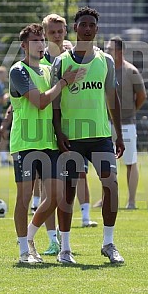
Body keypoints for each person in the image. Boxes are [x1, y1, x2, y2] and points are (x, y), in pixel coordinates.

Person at [52, 7, 125, 264]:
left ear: (96, 29)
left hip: (100, 136)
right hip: (72, 138)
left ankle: (108, 243)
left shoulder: (105, 61)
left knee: (111, 185)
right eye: (82, 24)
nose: (87, 28)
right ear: (75, 28)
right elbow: (55, 101)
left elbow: (112, 97)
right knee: (68, 192)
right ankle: (65, 249)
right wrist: (58, 131)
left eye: (91, 25)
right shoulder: (62, 62)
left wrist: (118, 134)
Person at [9, 23, 85, 263]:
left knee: (54, 196)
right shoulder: (18, 70)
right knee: (24, 198)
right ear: (24, 45)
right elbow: (40, 101)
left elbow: (56, 103)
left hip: (49, 143)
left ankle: (30, 238)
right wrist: (63, 82)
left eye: (42, 40)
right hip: (26, 143)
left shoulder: (47, 68)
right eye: (35, 41)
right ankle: (23, 251)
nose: (41, 44)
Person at [41, 14, 98, 256]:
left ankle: (84, 216)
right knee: (48, 187)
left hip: (72, 130)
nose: (57, 35)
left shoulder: (75, 57)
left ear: (67, 31)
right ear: (45, 34)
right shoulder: (40, 60)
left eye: (60, 31)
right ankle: (52, 239)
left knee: (77, 176)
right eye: (52, 32)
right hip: (45, 128)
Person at [106, 36, 147, 209]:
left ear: (120, 52)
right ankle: (105, 199)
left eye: (110, 49)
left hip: (127, 124)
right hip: (107, 123)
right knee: (107, 163)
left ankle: (131, 201)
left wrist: (131, 112)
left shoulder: (131, 71)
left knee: (130, 162)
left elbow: (142, 96)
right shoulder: (105, 70)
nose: (106, 51)